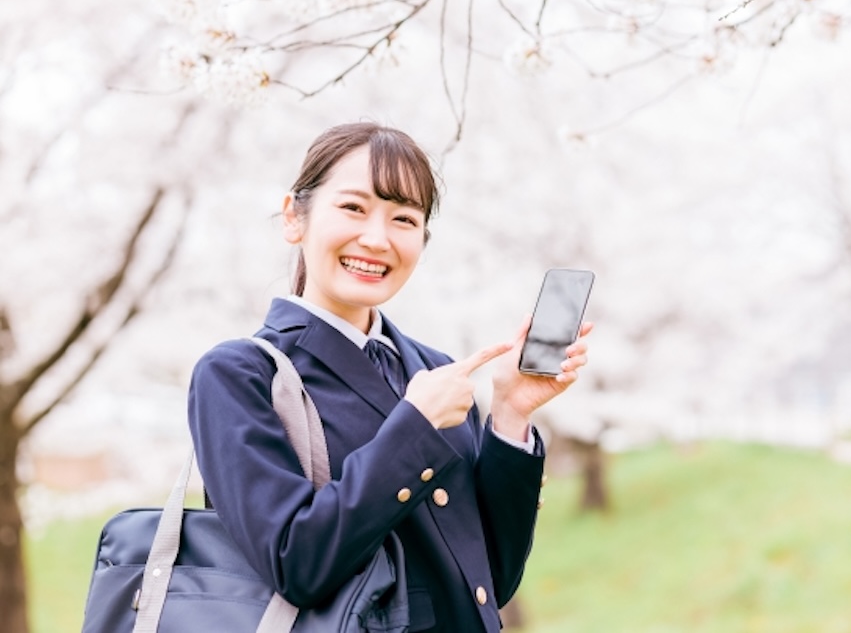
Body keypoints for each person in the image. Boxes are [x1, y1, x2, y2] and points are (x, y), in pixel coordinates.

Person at [187, 122, 593, 633]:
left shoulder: (434, 370)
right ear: (295, 217)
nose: (376, 239)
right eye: (353, 208)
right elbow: (296, 564)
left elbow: (490, 581)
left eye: (403, 219)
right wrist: (415, 428)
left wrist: (510, 415)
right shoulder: (238, 375)